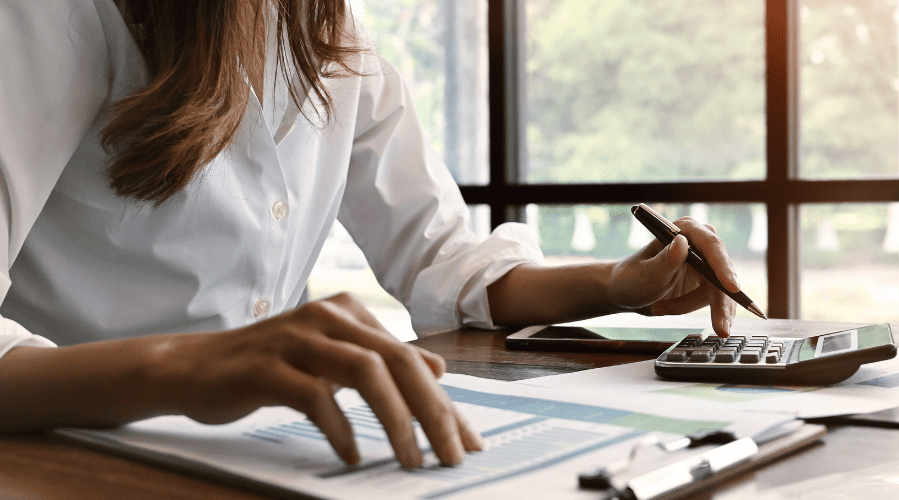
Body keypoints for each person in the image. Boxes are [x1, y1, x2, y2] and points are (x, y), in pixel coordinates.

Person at [0, 0, 740, 470]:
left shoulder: (328, 34)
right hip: (66, 462)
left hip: (269, 457)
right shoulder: (49, 17)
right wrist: (192, 367)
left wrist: (616, 284)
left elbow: (441, 257)